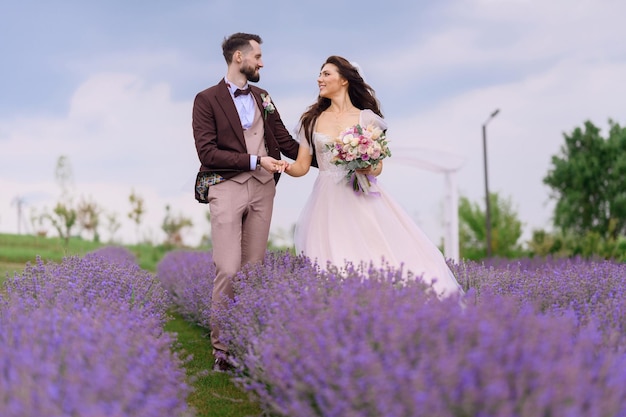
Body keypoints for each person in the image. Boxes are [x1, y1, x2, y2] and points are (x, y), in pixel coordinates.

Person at [284, 55, 464, 298]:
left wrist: (367, 166)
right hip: (326, 201)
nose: (319, 79)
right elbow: (302, 167)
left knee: (376, 252)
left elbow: (378, 167)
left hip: (361, 194)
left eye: (326, 74)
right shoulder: (311, 120)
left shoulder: (367, 118)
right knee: (331, 260)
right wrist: (281, 166)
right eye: (320, 74)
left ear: (344, 80)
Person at [192, 32, 300, 372]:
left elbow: (283, 140)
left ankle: (244, 343)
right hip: (226, 186)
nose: (262, 62)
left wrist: (330, 158)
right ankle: (221, 350)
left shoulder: (263, 96)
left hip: (264, 189)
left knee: (253, 273)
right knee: (228, 268)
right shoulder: (205, 99)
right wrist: (255, 162)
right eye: (257, 56)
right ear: (239, 58)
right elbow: (207, 153)